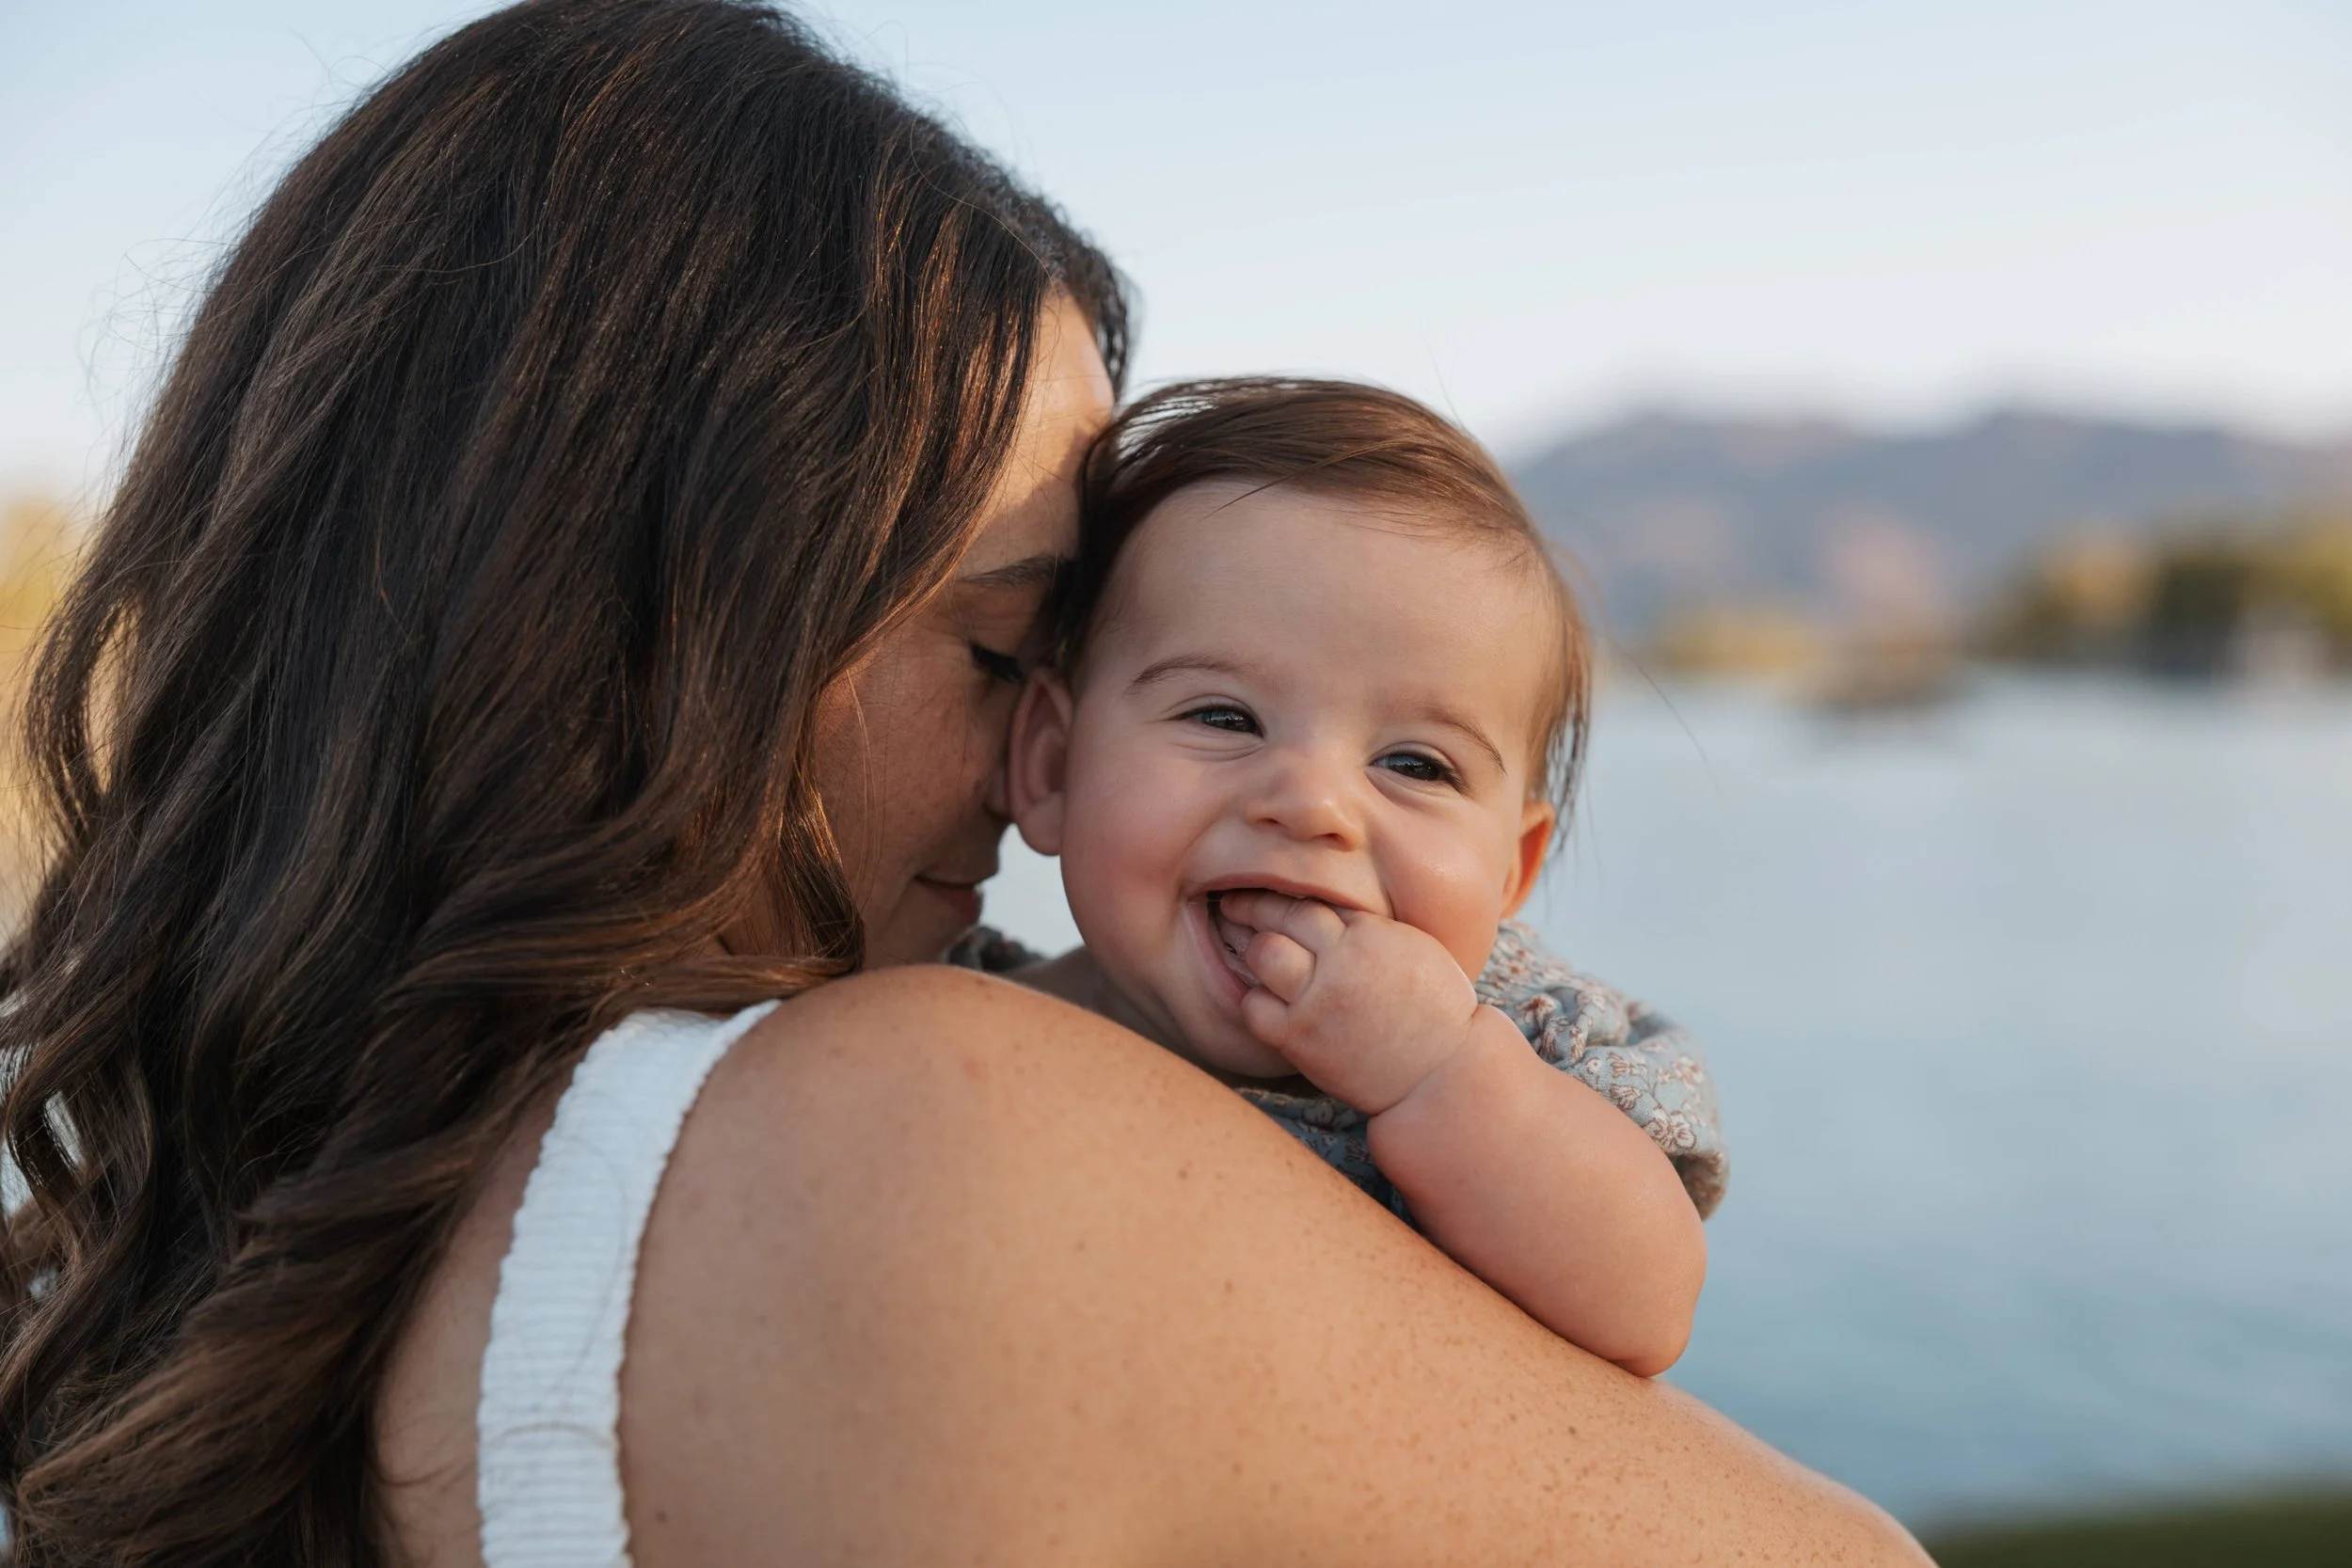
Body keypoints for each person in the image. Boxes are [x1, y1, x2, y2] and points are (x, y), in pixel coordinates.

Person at [0, 2, 1930, 1564]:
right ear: (665, 613)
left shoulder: (160, 1278)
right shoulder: (913, 1124)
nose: (1032, 796)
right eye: (1009, 653)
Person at [984, 377, 1723, 1374]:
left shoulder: (1530, 1046)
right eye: (1223, 715)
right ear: (1050, 766)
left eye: (1416, 764)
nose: (1312, 803)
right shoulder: (960, 1022)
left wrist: (1435, 1072)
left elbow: (1646, 1303)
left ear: (1512, 868)